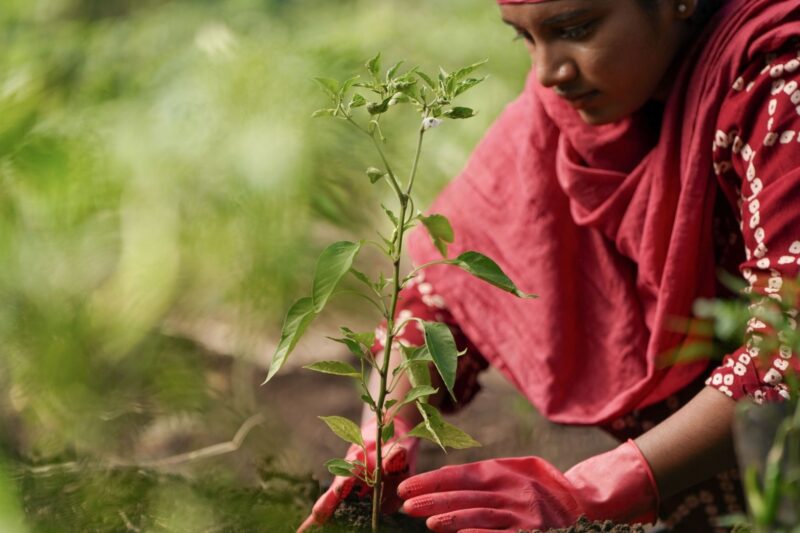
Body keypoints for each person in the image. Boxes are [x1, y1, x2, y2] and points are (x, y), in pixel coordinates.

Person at [299, 0, 800, 531]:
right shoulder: (566, 113)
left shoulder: (779, 81)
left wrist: (589, 491)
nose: (548, 72)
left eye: (577, 29)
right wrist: (385, 434)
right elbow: (445, 294)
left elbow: (787, 350)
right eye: (525, 38)